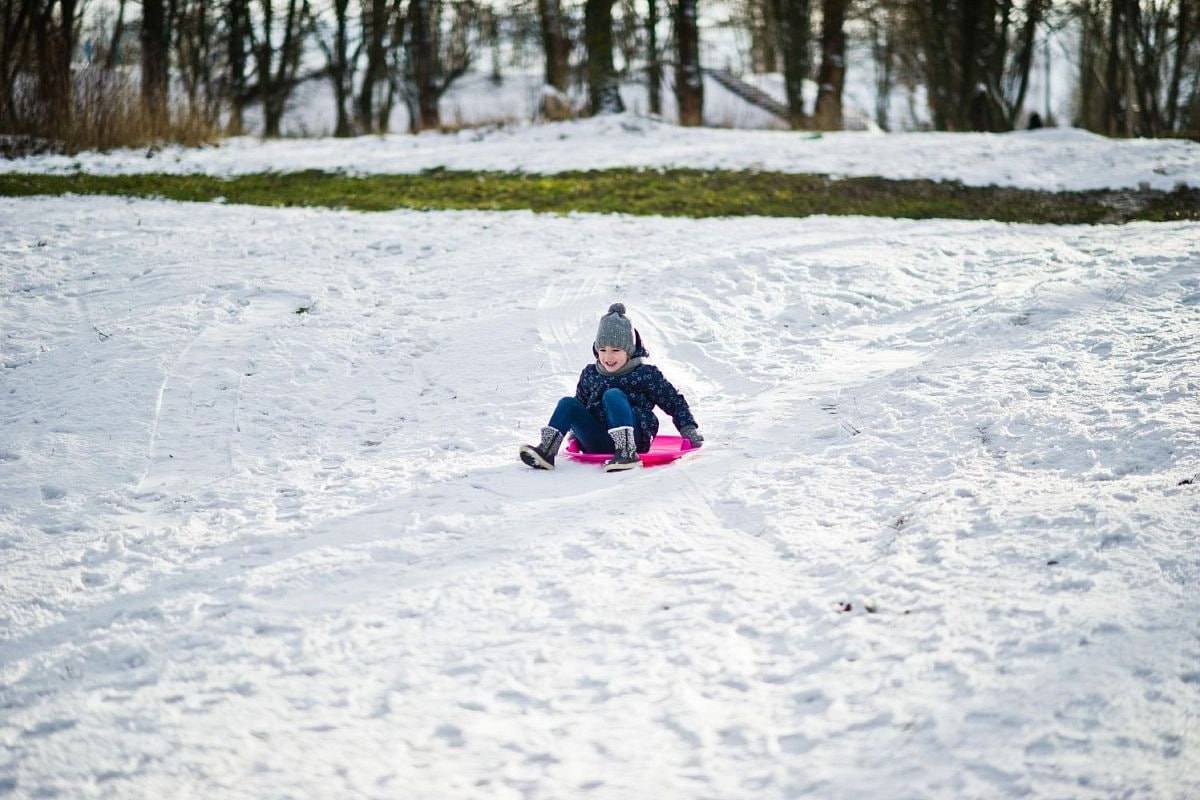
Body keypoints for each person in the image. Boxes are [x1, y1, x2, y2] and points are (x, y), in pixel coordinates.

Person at [520, 303, 704, 472]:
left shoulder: (645, 374)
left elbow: (673, 401)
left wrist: (688, 428)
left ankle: (626, 453)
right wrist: (576, 436)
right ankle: (546, 450)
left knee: (613, 395)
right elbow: (580, 408)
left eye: (616, 350)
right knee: (568, 403)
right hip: (597, 439)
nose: (608, 357)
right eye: (603, 350)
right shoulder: (591, 374)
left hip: (636, 439)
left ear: (629, 350)